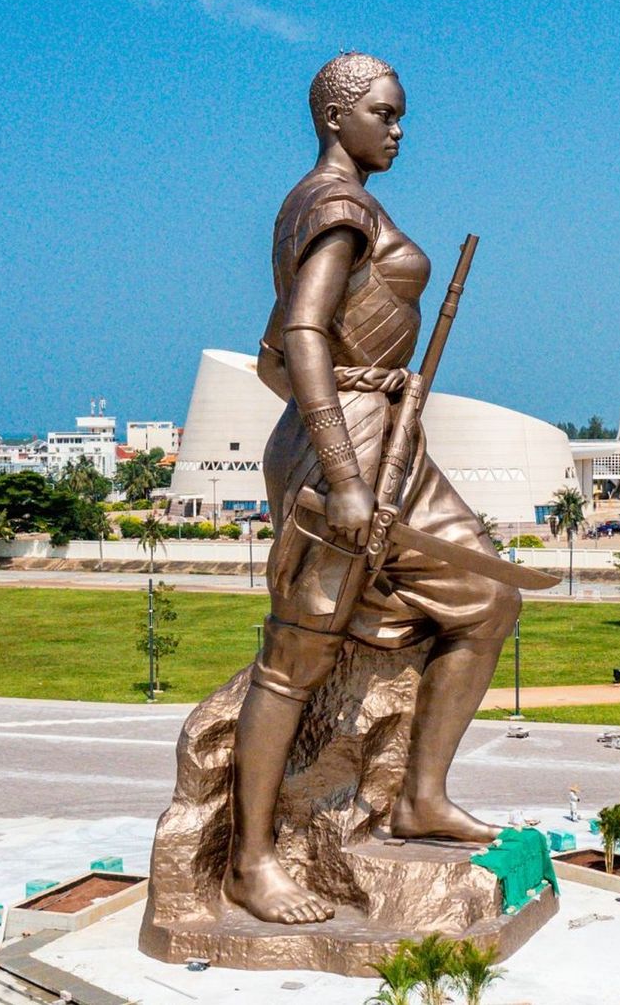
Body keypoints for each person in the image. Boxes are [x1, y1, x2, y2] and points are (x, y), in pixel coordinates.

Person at [225, 52, 521, 926]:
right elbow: (303, 337)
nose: (398, 129)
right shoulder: (336, 206)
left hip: (388, 435)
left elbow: (268, 351)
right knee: (295, 660)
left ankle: (419, 796)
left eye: (400, 115)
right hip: (347, 449)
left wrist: (383, 404)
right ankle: (249, 861)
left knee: (488, 595)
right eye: (385, 114)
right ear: (337, 118)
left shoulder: (334, 206)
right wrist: (342, 465)